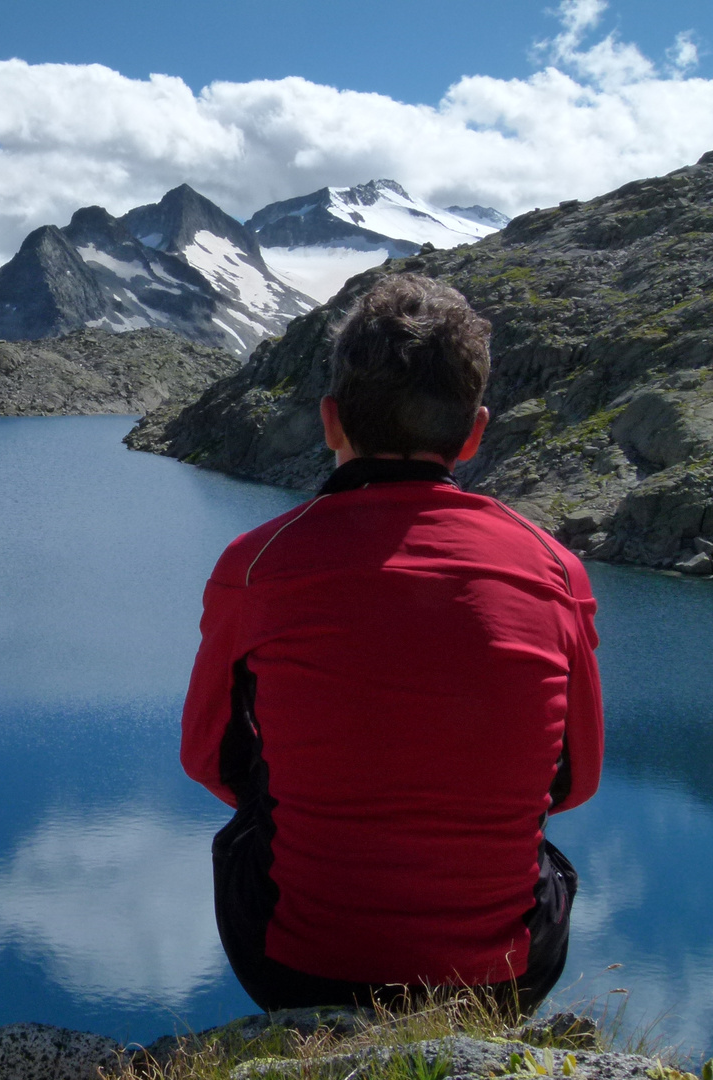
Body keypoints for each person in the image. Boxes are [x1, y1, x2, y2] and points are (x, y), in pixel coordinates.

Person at [181, 273, 603, 1014]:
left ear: (330, 421)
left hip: (298, 965)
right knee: (544, 855)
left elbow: (210, 758)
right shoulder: (554, 569)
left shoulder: (257, 563)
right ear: (474, 433)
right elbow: (574, 779)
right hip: (504, 975)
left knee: (248, 831)